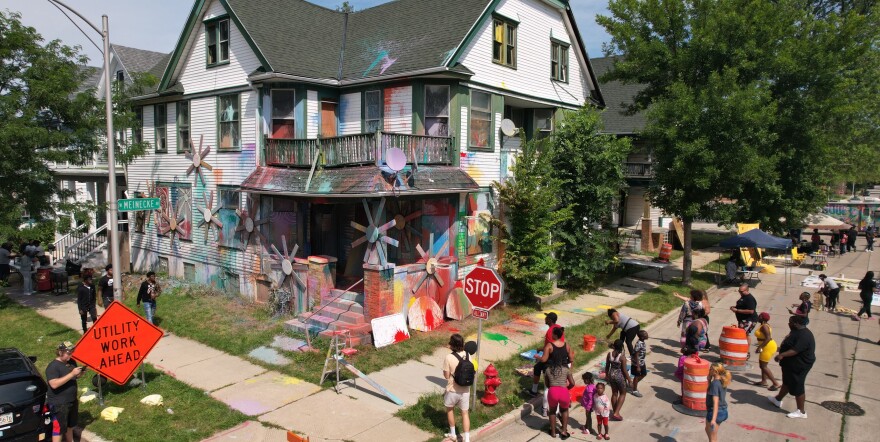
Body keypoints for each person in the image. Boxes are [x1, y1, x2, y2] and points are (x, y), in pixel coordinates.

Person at [768, 316, 816, 419]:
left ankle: (801, 411)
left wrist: (782, 355)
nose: (788, 324)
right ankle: (778, 399)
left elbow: (795, 350)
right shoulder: (795, 331)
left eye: (790, 322)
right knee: (787, 382)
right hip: (790, 364)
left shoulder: (804, 335)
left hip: (799, 365)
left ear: (796, 323)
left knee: (797, 385)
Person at [46, 341, 85, 442]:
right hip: (59, 403)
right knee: (58, 429)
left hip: (71, 400)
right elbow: (54, 384)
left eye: (72, 352)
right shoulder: (53, 367)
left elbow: (74, 377)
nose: (70, 355)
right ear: (60, 352)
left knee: (70, 426)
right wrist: (72, 374)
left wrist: (80, 373)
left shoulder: (71, 362)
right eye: (68, 353)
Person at [542, 327, 575, 439]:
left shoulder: (548, 370)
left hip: (552, 391)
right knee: (564, 410)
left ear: (554, 334)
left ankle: (553, 432)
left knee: (552, 411)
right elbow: (573, 383)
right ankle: (564, 431)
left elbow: (547, 384)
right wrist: (567, 387)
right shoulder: (566, 369)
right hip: (564, 391)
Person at [528, 312, 565, 399]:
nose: (545, 319)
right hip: (559, 355)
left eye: (546, 317)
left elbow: (548, 349)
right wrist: (541, 349)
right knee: (537, 367)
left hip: (552, 358)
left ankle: (547, 397)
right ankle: (534, 390)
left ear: (549, 320)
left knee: (546, 378)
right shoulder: (559, 327)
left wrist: (538, 356)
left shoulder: (550, 332)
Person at [443, 334, 471, 442]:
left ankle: (453, 434)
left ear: (452, 344)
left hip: (453, 390)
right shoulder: (468, 355)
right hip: (465, 390)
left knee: (450, 410)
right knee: (465, 413)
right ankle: (467, 439)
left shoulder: (449, 357)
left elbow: (446, 376)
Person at [754, 312, 781, 390]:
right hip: (766, 345)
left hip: (767, 346)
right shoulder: (764, 325)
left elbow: (768, 338)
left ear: (762, 318)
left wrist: (760, 347)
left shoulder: (764, 326)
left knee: (763, 366)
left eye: (759, 316)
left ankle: (775, 383)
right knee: (762, 365)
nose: (758, 317)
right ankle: (764, 381)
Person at [705, 363, 731, 442]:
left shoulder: (715, 384)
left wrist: (713, 419)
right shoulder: (722, 380)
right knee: (708, 430)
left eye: (711, 369)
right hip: (723, 411)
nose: (709, 370)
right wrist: (709, 380)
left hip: (715, 412)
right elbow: (710, 391)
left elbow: (715, 403)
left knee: (712, 438)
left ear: (715, 371)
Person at [605, 339, 630, 421]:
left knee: (614, 393)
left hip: (611, 375)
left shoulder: (609, 354)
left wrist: (606, 375)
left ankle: (616, 412)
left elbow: (607, 366)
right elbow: (624, 370)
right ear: (622, 347)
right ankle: (616, 413)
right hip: (619, 376)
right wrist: (629, 380)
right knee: (623, 393)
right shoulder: (622, 357)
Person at [730, 284, 758, 355]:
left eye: (741, 291)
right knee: (744, 335)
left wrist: (737, 310)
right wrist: (735, 307)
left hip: (749, 320)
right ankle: (743, 350)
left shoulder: (750, 299)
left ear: (747, 290)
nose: (740, 292)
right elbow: (741, 306)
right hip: (742, 320)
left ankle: (746, 352)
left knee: (744, 335)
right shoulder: (743, 296)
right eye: (739, 291)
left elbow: (751, 311)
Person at [631, 330, 649, 397]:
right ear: (642, 337)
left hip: (642, 362)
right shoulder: (639, 343)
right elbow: (636, 354)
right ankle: (634, 390)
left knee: (644, 374)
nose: (647, 335)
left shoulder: (642, 342)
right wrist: (638, 366)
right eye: (645, 334)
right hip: (637, 363)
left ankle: (633, 384)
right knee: (637, 376)